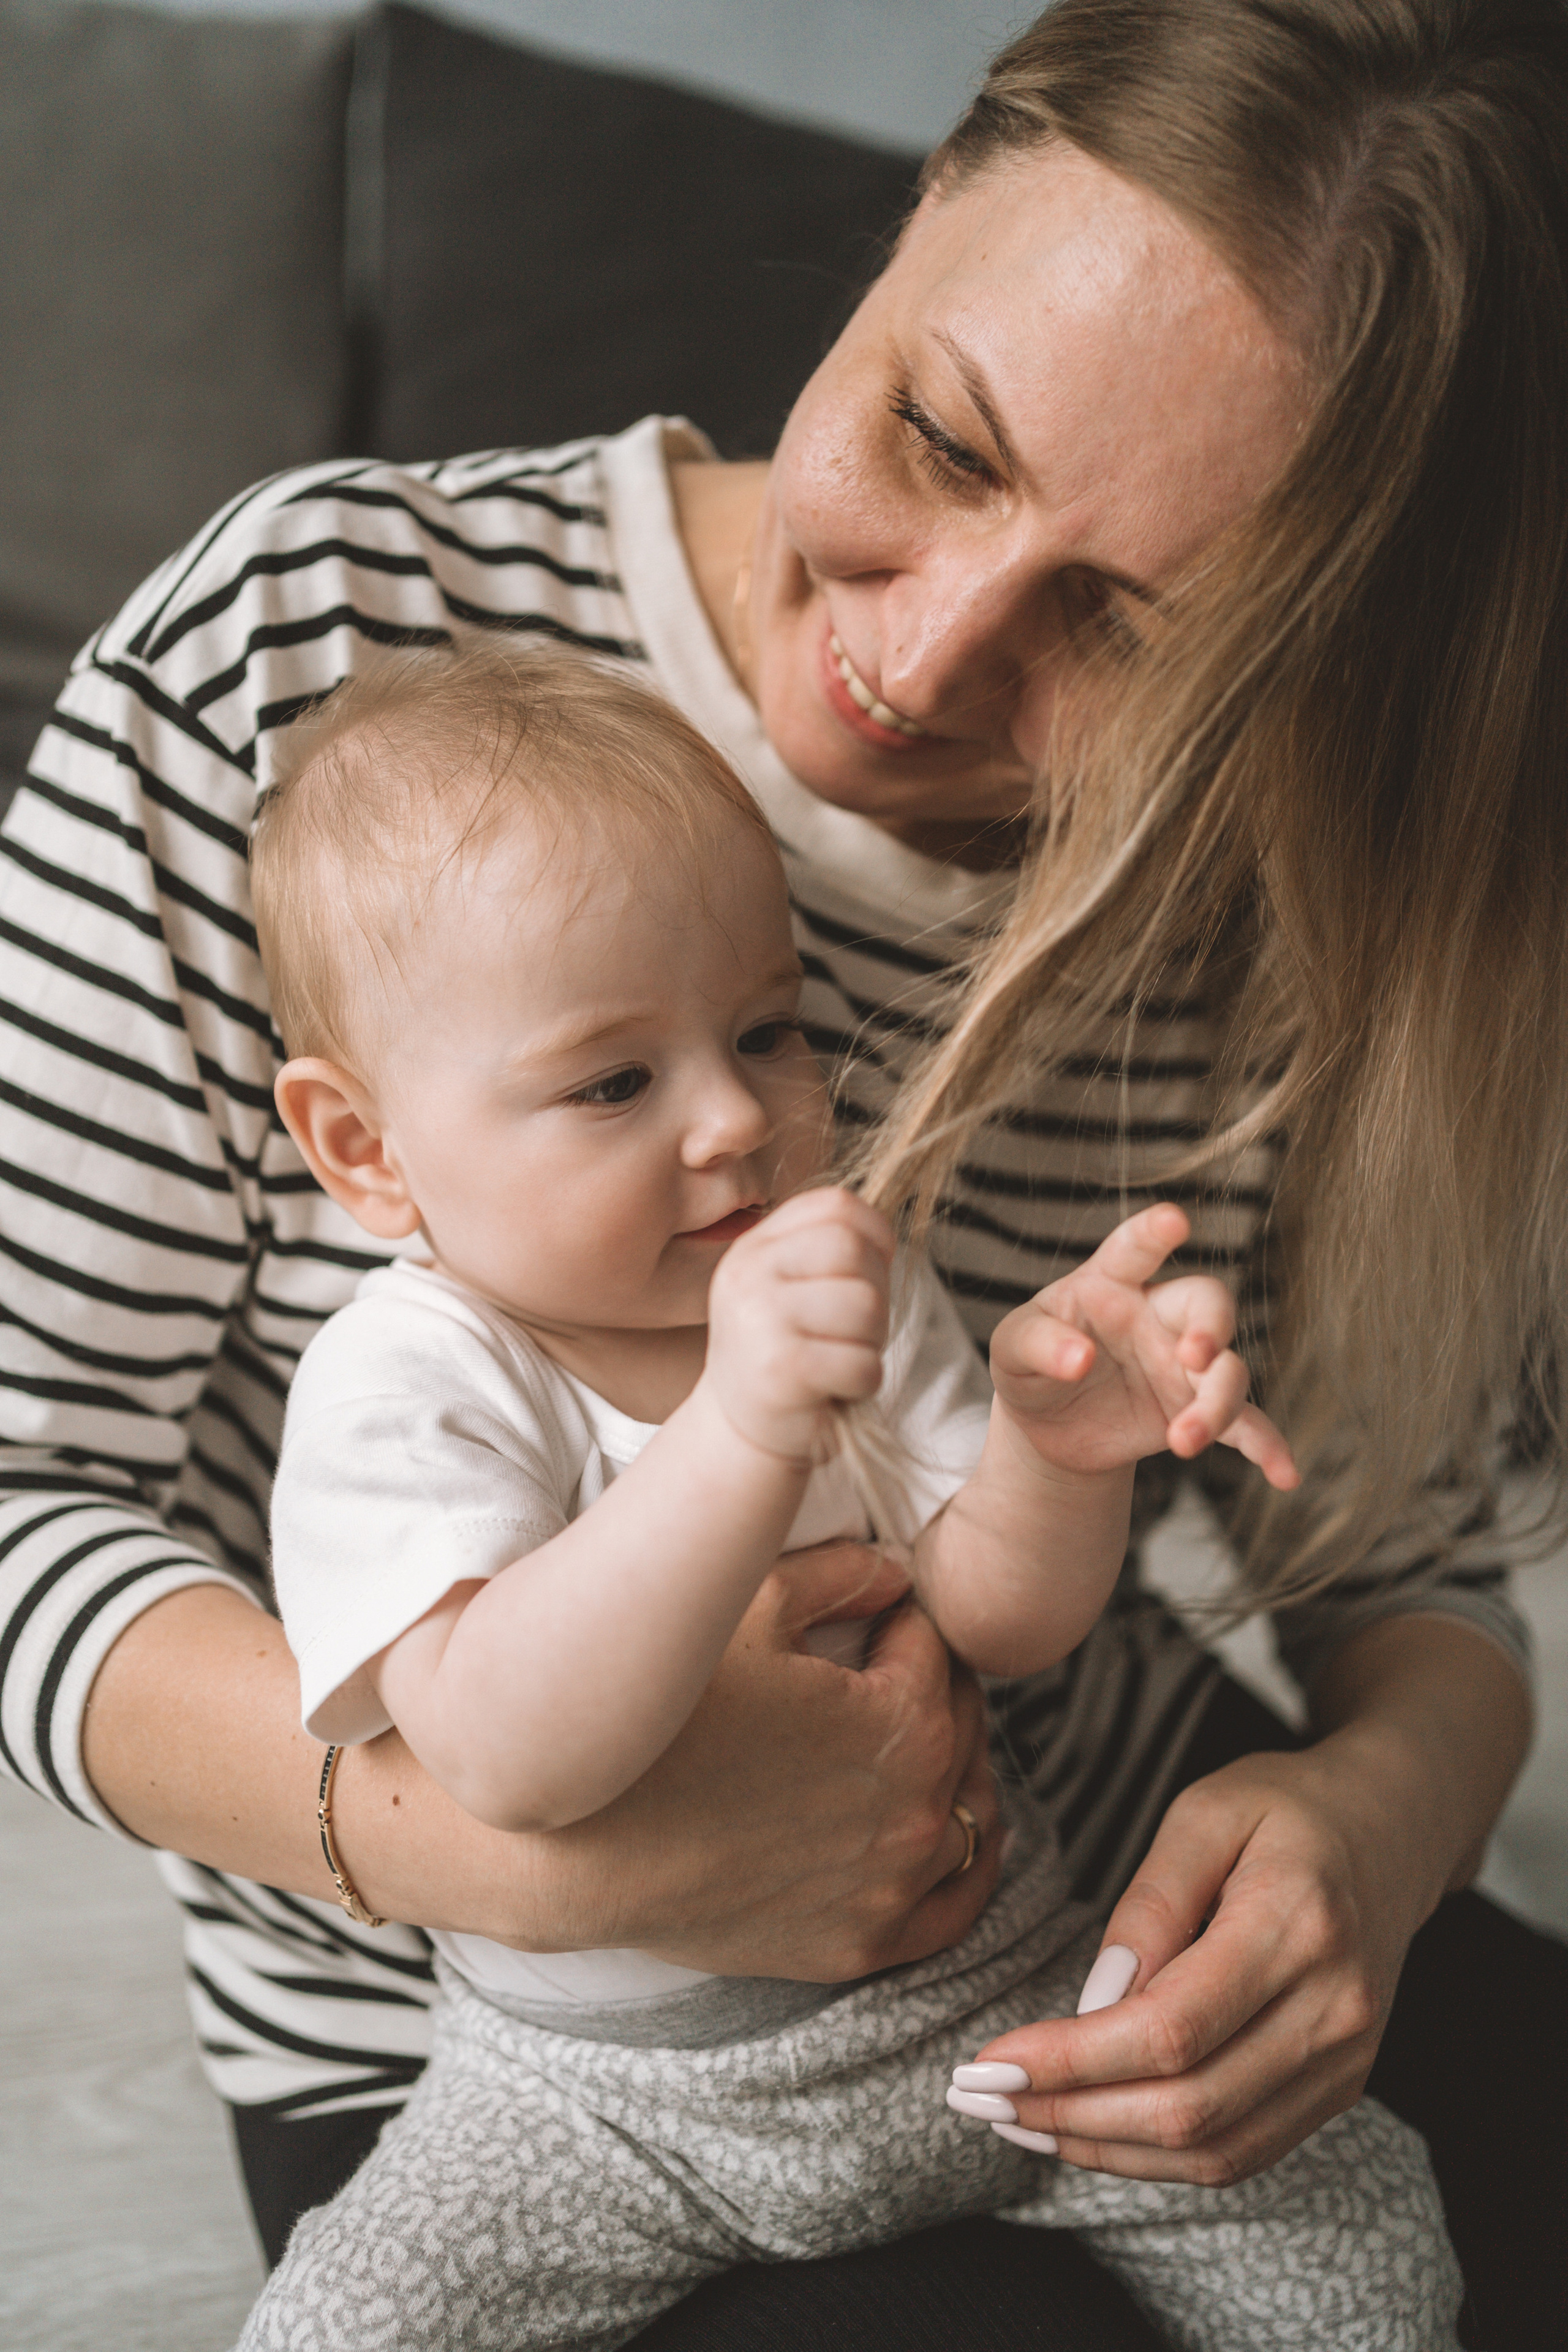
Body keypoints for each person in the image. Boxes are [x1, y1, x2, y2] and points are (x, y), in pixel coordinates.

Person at [0, 2, 1562, 2345]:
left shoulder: (1295, 880)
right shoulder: (294, 661)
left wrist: (1380, 1831)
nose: (924, 661)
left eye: (1135, 629)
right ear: (931, 187)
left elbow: (1398, 1560)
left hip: (1089, 1907)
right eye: (937, 436)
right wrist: (538, 1855)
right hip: (514, 2045)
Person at [233, 641, 1457, 2352]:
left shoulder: (843, 1282)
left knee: (1363, 2210)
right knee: (341, 2326)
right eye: (613, 1082)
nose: (736, 1118)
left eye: (764, 1028)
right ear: (363, 1148)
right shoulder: (412, 1382)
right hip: (596, 2103)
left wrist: (1052, 1445)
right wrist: (741, 1432)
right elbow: (508, 1754)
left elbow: (999, 1617)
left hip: (996, 1998)